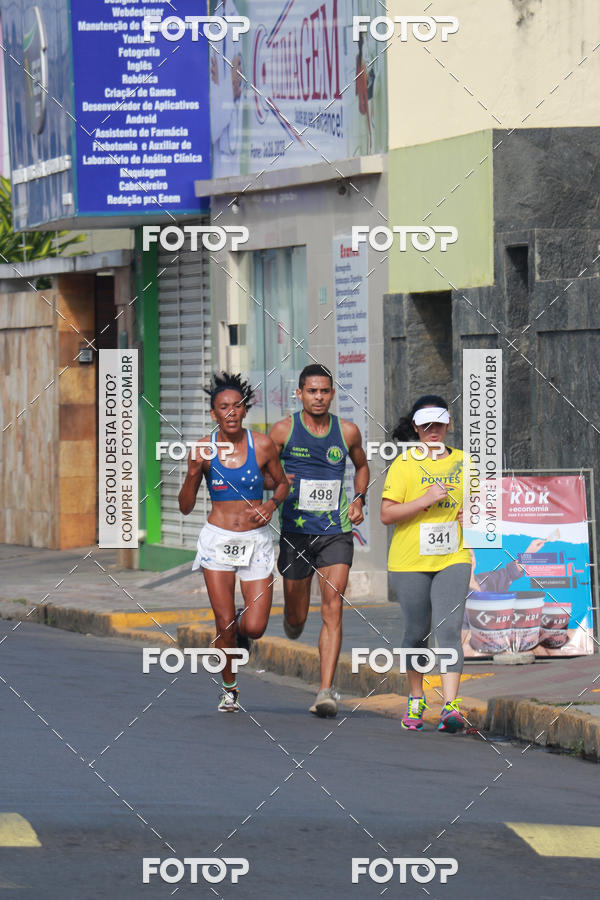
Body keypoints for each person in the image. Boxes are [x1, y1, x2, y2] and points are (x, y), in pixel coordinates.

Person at [178, 372, 289, 712]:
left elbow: (282, 484)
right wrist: (194, 473)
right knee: (223, 622)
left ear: (245, 410)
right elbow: (184, 507)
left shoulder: (263, 445)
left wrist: (271, 505)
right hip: (218, 539)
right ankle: (230, 688)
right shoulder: (202, 449)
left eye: (236, 406)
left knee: (254, 627)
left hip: (255, 540)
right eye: (223, 407)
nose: (230, 412)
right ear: (214, 414)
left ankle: (235, 627)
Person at [268, 364, 369, 717]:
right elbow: (264, 471)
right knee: (296, 620)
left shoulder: (347, 431)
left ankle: (326, 690)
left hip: (334, 532)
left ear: (332, 393)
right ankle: (292, 619)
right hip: (295, 532)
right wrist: (278, 483)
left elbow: (361, 466)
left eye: (324, 391)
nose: (318, 397)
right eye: (312, 391)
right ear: (300, 394)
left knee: (333, 606)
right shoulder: (283, 430)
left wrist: (359, 499)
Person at [380, 395, 471, 733]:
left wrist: (473, 514)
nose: (433, 430)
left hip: (453, 557)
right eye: (426, 424)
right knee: (417, 633)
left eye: (439, 423)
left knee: (449, 629)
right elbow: (386, 514)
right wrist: (424, 500)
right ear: (416, 427)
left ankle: (450, 706)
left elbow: (487, 508)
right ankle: (416, 698)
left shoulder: (465, 462)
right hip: (410, 561)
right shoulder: (404, 464)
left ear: (448, 424)